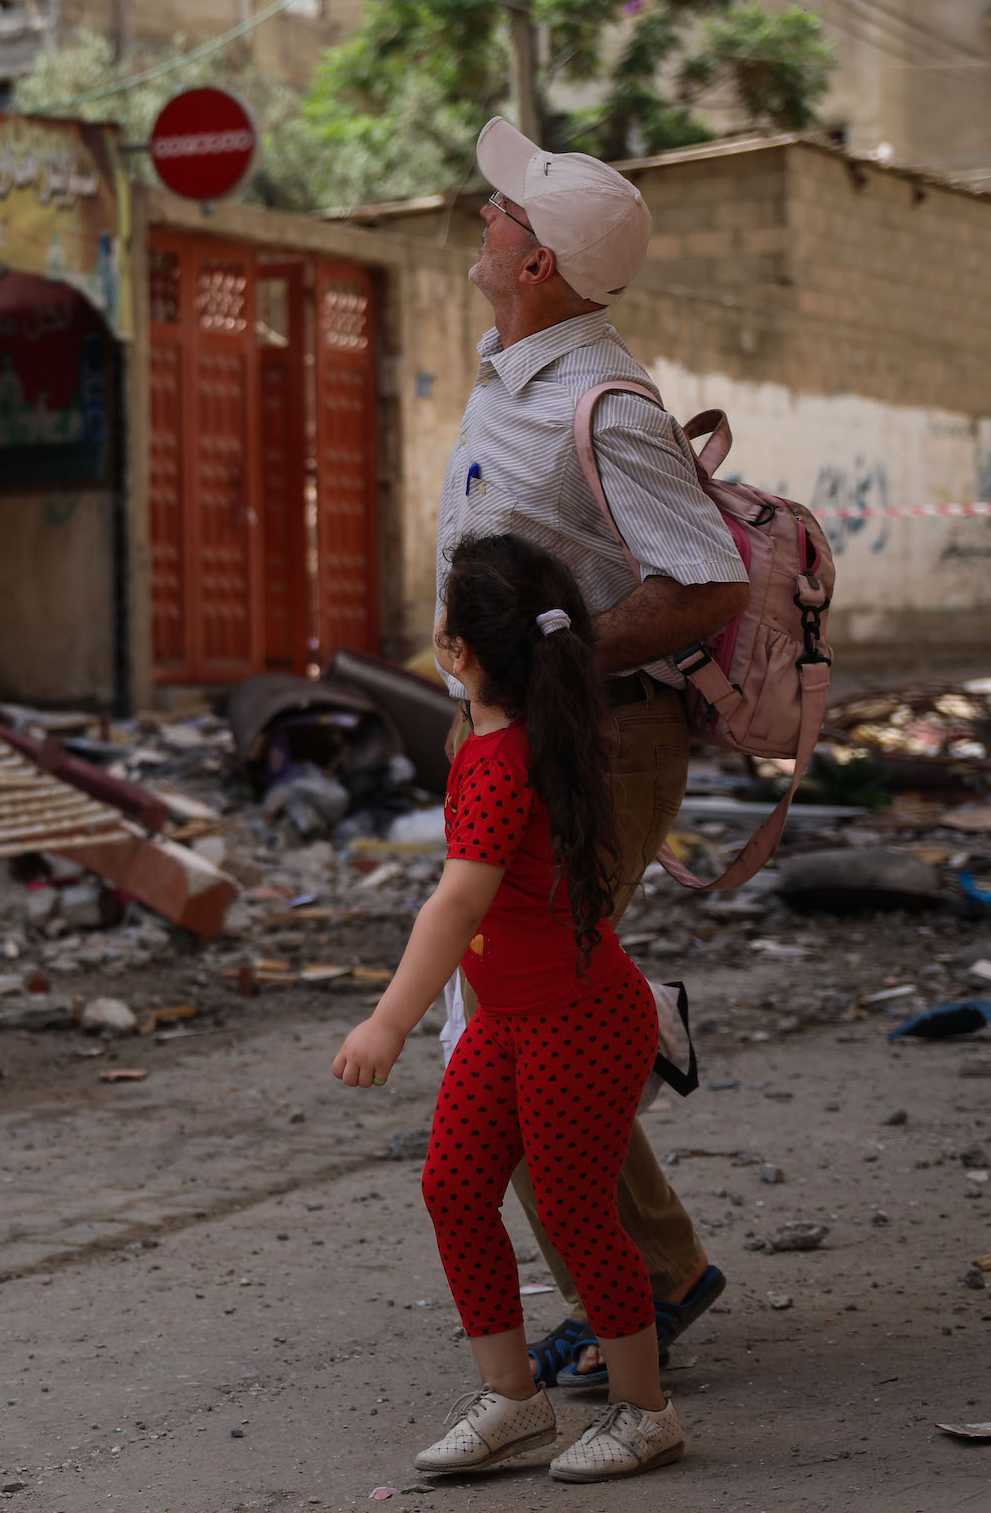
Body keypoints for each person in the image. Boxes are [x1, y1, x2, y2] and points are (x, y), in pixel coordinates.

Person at [433, 116, 747, 1390]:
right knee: (514, 1020)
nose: (485, 217)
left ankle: (643, 1290)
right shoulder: (507, 368)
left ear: (540, 263)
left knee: (517, 1032)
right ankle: (652, 1268)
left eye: (505, 213)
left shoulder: (599, 402)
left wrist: (557, 665)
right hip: (518, 737)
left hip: (597, 743)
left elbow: (708, 579)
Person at [332, 533, 681, 1481]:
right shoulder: (504, 737)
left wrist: (389, 1021)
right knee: (453, 1187)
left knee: (574, 1212)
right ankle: (514, 1400)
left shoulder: (501, 761)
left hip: (581, 1021)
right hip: (511, 1018)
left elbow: (455, 903)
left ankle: (645, 1410)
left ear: (458, 651)